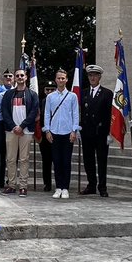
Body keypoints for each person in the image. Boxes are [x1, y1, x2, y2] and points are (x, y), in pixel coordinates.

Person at [1, 68, 40, 196]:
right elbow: (5, 112)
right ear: (15, 78)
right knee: (11, 159)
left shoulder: (33, 94)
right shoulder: (8, 94)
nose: (20, 77)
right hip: (11, 131)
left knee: (24, 159)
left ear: (26, 77)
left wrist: (22, 126)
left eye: (22, 75)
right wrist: (14, 127)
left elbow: (34, 112)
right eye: (17, 75)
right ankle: (11, 185)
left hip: (26, 131)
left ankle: (23, 186)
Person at [43, 69, 80, 199]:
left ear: (67, 80)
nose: (61, 80)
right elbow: (47, 113)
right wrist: (47, 130)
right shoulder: (50, 97)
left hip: (67, 132)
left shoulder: (72, 96)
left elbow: (75, 113)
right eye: (59, 78)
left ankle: (65, 188)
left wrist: (74, 130)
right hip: (54, 132)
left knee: (66, 161)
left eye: (63, 78)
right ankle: (58, 187)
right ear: (55, 80)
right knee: (56, 161)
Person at [79, 64, 113, 197]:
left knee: (101, 160)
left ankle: (102, 187)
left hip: (101, 132)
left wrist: (109, 132)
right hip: (87, 132)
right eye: (90, 75)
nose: (92, 78)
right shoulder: (84, 93)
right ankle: (91, 184)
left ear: (100, 77)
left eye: (95, 75)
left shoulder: (107, 93)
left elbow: (110, 114)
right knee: (88, 160)